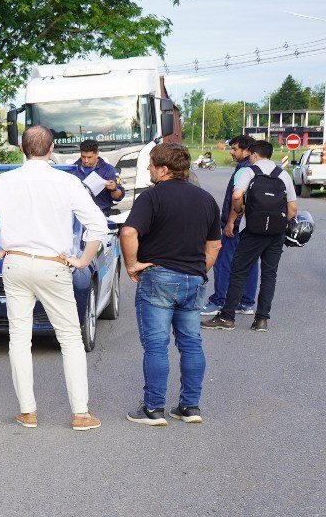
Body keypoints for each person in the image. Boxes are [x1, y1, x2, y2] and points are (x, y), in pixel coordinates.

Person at [0, 125, 109, 431]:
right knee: (70, 338)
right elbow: (96, 225)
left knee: (19, 337)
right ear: (52, 147)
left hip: (14, 263)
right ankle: (80, 413)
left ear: (21, 148)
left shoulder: (5, 181)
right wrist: (83, 259)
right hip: (53, 264)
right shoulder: (67, 182)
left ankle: (28, 411)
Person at [119, 144, 221, 426]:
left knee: (156, 345)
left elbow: (128, 232)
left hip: (159, 277)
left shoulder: (151, 197)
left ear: (163, 169)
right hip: (194, 280)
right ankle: (190, 407)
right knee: (191, 344)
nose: (149, 170)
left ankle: (153, 408)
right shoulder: (205, 199)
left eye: (151, 165)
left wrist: (131, 265)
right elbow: (214, 244)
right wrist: (199, 270)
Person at [203, 139, 298, 332]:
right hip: (276, 234)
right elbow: (293, 209)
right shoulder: (283, 175)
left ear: (254, 155)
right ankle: (261, 320)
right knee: (269, 275)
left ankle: (227, 317)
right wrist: (279, 223)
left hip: (252, 231)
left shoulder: (248, 171)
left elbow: (237, 196)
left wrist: (239, 211)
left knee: (239, 272)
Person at [205, 135, 259, 315]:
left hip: (236, 226)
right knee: (250, 264)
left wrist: (230, 222)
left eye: (235, 149)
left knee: (222, 263)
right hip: (252, 226)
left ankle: (219, 300)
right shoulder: (257, 169)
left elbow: (238, 198)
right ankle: (246, 302)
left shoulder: (243, 170)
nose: (232, 152)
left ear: (247, 150)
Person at [68, 139, 125, 215]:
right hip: (78, 214)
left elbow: (118, 197)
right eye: (83, 157)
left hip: (101, 213)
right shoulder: (72, 170)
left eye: (89, 157)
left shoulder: (109, 170)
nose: (86, 160)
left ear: (97, 154)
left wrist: (114, 189)